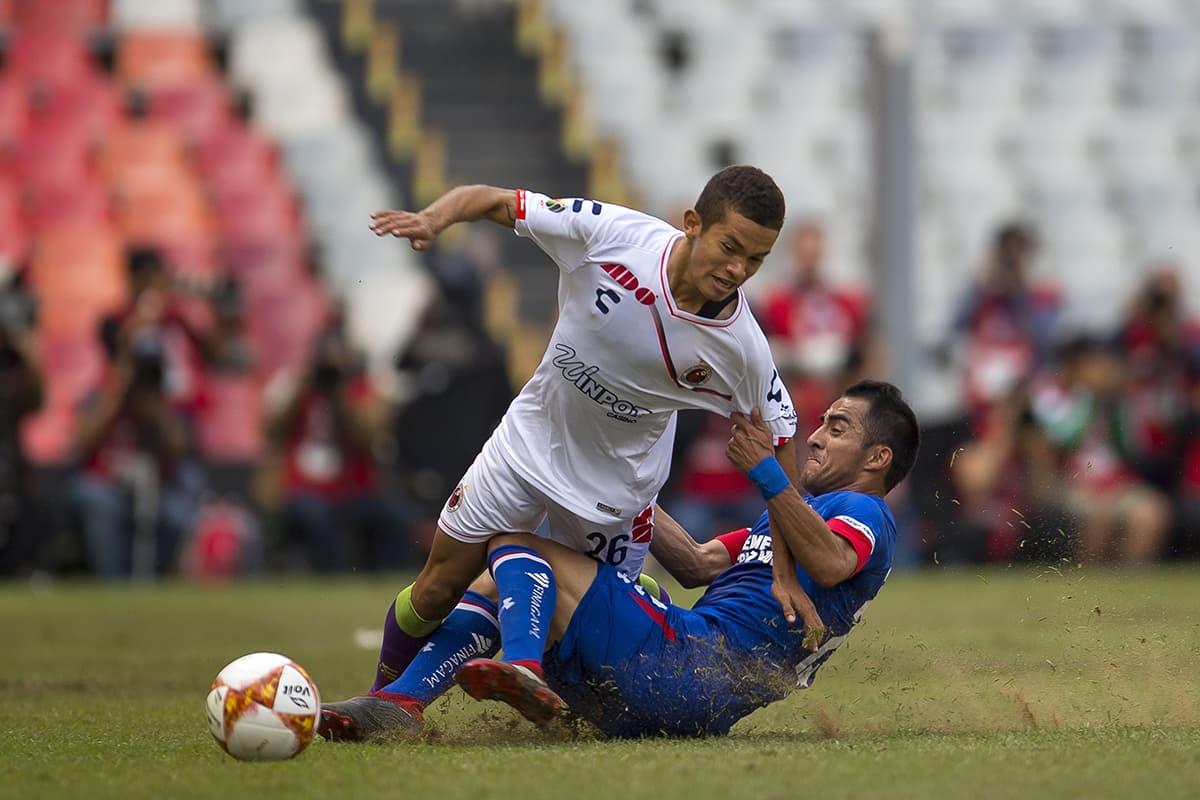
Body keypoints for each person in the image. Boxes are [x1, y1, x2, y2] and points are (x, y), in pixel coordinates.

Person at [319, 166, 804, 732]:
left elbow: (783, 441)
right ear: (692, 223)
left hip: (611, 496)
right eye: (730, 248)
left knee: (577, 635)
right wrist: (434, 217)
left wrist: (785, 571)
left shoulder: (741, 347)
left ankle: (485, 681)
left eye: (756, 261)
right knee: (435, 587)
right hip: (524, 447)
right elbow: (497, 201)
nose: (737, 270)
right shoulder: (612, 233)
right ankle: (383, 704)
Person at [320, 380, 918, 739]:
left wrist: (766, 470)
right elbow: (696, 563)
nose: (813, 436)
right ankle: (401, 700)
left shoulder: (864, 513)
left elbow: (836, 562)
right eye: (821, 423)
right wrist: (620, 486)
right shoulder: (788, 520)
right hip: (680, 694)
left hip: (690, 664)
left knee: (519, 548)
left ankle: (515, 668)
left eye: (837, 428)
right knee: (507, 577)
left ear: (877, 458)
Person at [266, 314, 415, 572]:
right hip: (304, 489)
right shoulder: (296, 387)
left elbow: (372, 437)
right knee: (317, 517)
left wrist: (341, 400)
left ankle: (389, 579)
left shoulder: (361, 390)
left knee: (397, 519)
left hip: (354, 490)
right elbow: (271, 430)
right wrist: (303, 390)